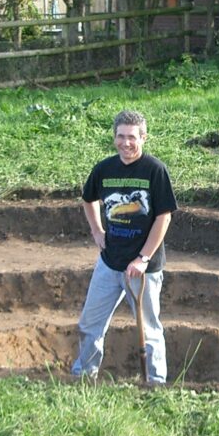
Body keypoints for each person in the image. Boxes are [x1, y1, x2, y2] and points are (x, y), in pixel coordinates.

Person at [71, 109, 178, 384]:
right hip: (109, 263)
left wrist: (143, 258)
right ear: (114, 137)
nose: (126, 143)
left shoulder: (155, 170)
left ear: (143, 138)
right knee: (89, 325)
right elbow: (88, 198)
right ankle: (84, 376)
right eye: (121, 136)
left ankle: (155, 383)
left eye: (132, 137)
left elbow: (163, 216)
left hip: (143, 269)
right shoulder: (104, 169)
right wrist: (97, 230)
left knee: (150, 330)